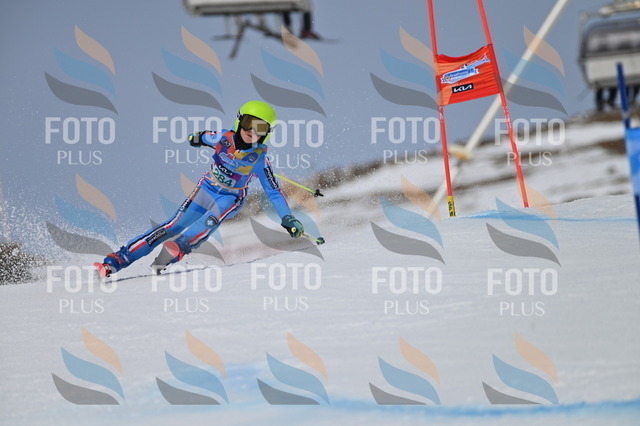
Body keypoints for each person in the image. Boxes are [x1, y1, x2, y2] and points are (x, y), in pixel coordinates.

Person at [94, 101, 304, 278]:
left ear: (266, 134)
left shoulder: (260, 159)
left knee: (207, 223)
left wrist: (288, 218)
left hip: (230, 198)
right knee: (173, 226)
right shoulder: (222, 138)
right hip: (207, 188)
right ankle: (117, 261)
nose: (252, 131)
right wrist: (195, 138)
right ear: (240, 121)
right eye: (249, 123)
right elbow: (204, 136)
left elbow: (273, 191)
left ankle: (174, 251)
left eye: (260, 128)